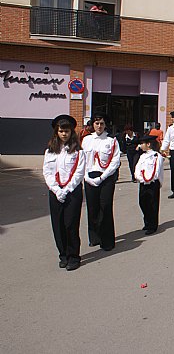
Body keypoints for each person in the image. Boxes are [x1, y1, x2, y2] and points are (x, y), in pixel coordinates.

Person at [43, 115, 86, 271]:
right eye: (61, 131)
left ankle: (74, 256)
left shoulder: (78, 151)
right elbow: (47, 172)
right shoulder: (50, 151)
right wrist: (56, 189)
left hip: (72, 192)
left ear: (71, 132)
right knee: (58, 225)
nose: (64, 134)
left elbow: (79, 173)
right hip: (55, 192)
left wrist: (66, 189)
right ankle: (63, 255)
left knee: (70, 224)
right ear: (56, 132)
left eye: (67, 131)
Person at [81, 112, 121, 251]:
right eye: (97, 123)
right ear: (92, 124)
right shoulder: (86, 140)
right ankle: (94, 237)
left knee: (105, 207)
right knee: (92, 208)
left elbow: (115, 161)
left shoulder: (111, 140)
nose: (99, 126)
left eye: (102, 123)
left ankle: (107, 240)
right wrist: (86, 176)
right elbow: (82, 160)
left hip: (106, 177)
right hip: (89, 176)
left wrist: (102, 178)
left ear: (106, 125)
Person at [134, 134, 164, 235]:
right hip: (143, 183)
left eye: (142, 143)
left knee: (152, 204)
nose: (140, 145)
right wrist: (139, 178)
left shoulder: (156, 156)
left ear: (148, 144)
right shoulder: (142, 156)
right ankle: (147, 222)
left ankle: (152, 225)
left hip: (152, 183)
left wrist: (150, 179)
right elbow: (137, 169)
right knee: (142, 203)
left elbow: (157, 171)